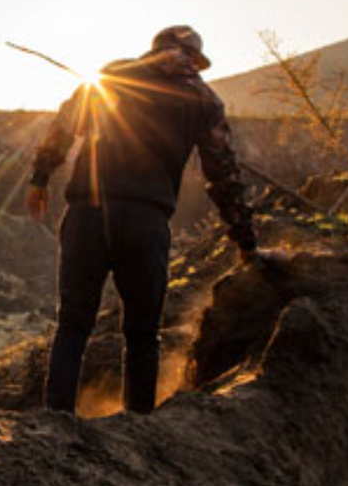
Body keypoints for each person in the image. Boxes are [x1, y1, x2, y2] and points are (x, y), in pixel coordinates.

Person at [26, 25, 258, 415]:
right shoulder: (202, 99)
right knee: (142, 333)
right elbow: (224, 175)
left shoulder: (114, 75)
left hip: (87, 214)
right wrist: (245, 241)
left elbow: (65, 125)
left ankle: (56, 420)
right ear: (193, 58)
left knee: (73, 325)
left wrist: (40, 177)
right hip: (145, 222)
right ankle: (139, 424)